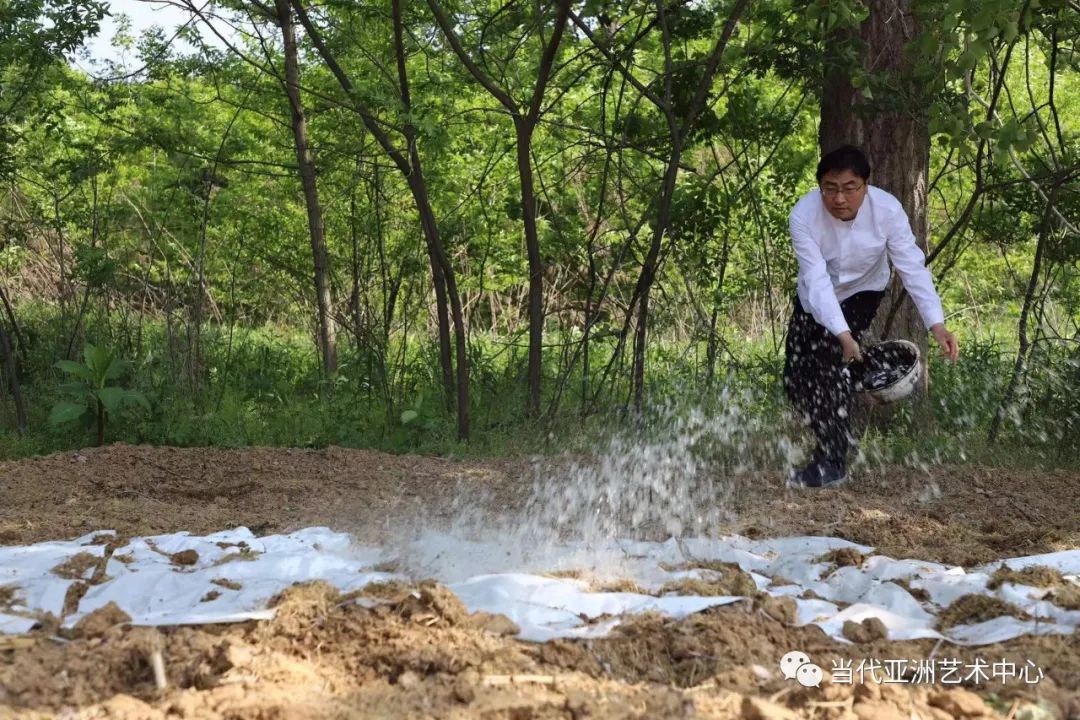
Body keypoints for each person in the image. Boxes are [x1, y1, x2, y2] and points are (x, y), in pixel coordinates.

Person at [783, 145, 959, 488]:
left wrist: (935, 323)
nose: (839, 198)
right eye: (830, 188)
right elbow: (816, 280)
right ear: (820, 187)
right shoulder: (803, 215)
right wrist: (842, 334)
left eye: (850, 188)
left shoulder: (887, 210)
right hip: (814, 298)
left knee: (825, 364)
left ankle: (832, 461)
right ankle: (853, 376)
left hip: (863, 293)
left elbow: (911, 267)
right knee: (794, 381)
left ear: (865, 185)